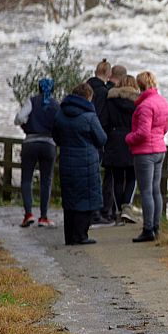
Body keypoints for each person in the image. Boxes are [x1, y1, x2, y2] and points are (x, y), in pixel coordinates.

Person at [52, 82, 107, 245]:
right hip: (86, 162)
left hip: (67, 160)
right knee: (86, 198)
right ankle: (81, 235)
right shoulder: (89, 116)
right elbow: (102, 138)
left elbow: (55, 136)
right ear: (88, 97)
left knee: (70, 198)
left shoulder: (60, 114)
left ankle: (69, 237)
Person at [125, 71, 168, 243]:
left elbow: (143, 133)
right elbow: (164, 128)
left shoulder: (145, 106)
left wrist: (128, 138)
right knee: (155, 190)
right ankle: (156, 227)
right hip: (159, 149)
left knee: (146, 191)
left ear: (139, 86)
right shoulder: (162, 102)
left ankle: (148, 229)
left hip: (145, 152)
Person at [14, 78, 60, 228]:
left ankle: (28, 214)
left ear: (38, 88)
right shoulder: (56, 105)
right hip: (48, 145)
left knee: (26, 179)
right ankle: (44, 217)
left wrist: (26, 125)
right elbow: (60, 124)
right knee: (46, 181)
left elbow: (20, 118)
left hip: (30, 143)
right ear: (52, 89)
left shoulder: (32, 101)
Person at [103, 74, 139, 222]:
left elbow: (104, 122)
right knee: (132, 176)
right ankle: (127, 207)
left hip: (114, 139)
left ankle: (118, 211)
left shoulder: (110, 101)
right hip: (132, 139)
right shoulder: (138, 103)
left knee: (117, 178)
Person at [87, 58, 116, 226]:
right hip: (98, 136)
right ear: (108, 74)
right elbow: (103, 116)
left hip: (83, 135)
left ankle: (90, 211)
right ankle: (97, 213)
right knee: (97, 176)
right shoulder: (104, 92)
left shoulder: (86, 87)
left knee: (89, 174)